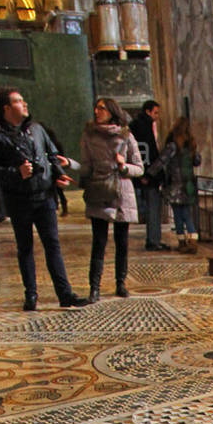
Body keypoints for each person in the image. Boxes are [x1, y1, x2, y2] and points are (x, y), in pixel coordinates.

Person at [0, 86, 88, 310]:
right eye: (19, 101)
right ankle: (31, 295)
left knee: (53, 245)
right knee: (25, 247)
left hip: (44, 197)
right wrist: (16, 173)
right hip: (18, 200)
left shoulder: (37, 129)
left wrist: (58, 175)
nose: (25, 104)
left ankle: (65, 294)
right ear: (6, 108)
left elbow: (52, 155)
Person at [79, 96, 144, 303]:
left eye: (102, 108)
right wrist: (74, 168)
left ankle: (120, 283)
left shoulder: (126, 136)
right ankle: (94, 288)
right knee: (99, 241)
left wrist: (124, 166)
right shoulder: (89, 136)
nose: (97, 111)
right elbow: (86, 166)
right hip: (100, 191)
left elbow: (139, 167)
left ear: (112, 112)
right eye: (96, 108)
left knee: (122, 242)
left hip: (122, 192)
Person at [154, 117, 201, 252]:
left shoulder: (172, 145)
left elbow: (162, 160)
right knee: (186, 213)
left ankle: (184, 242)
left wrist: (149, 174)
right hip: (188, 183)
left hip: (175, 183)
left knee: (178, 213)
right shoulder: (191, 145)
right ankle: (191, 239)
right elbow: (197, 161)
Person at [130, 98, 169, 250]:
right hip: (149, 175)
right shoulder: (143, 127)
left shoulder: (139, 126)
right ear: (148, 111)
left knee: (153, 208)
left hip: (145, 173)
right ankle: (153, 240)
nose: (158, 116)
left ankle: (154, 239)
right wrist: (147, 174)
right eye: (156, 112)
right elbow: (147, 152)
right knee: (153, 208)